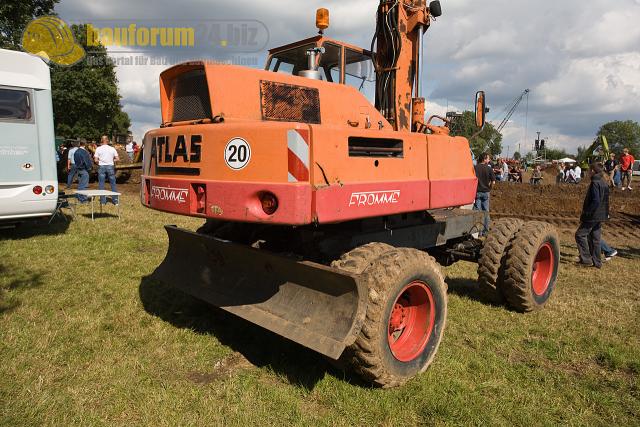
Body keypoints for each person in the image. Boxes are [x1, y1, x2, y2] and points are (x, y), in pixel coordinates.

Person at [575, 163, 609, 268]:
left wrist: (587, 213)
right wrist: (606, 214)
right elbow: (606, 201)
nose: (588, 172)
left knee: (580, 235)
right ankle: (597, 262)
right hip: (600, 215)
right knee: (595, 239)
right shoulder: (604, 182)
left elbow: (596, 201)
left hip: (593, 215)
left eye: (589, 170)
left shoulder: (595, 182)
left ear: (593, 171)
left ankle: (586, 259)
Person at [474, 153, 495, 236]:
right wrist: (490, 188)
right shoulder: (489, 169)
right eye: (488, 159)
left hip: (477, 192)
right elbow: (493, 182)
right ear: (485, 159)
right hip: (486, 192)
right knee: (486, 212)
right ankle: (485, 232)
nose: (489, 160)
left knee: (477, 212)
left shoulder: (475, 168)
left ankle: (478, 232)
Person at [94, 135, 119, 205]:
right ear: (107, 140)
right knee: (113, 184)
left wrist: (100, 161)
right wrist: (111, 160)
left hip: (102, 166)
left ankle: (102, 202)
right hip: (110, 166)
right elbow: (117, 159)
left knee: (101, 184)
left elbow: (95, 160)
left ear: (101, 140)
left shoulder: (98, 149)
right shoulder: (112, 148)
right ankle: (115, 201)